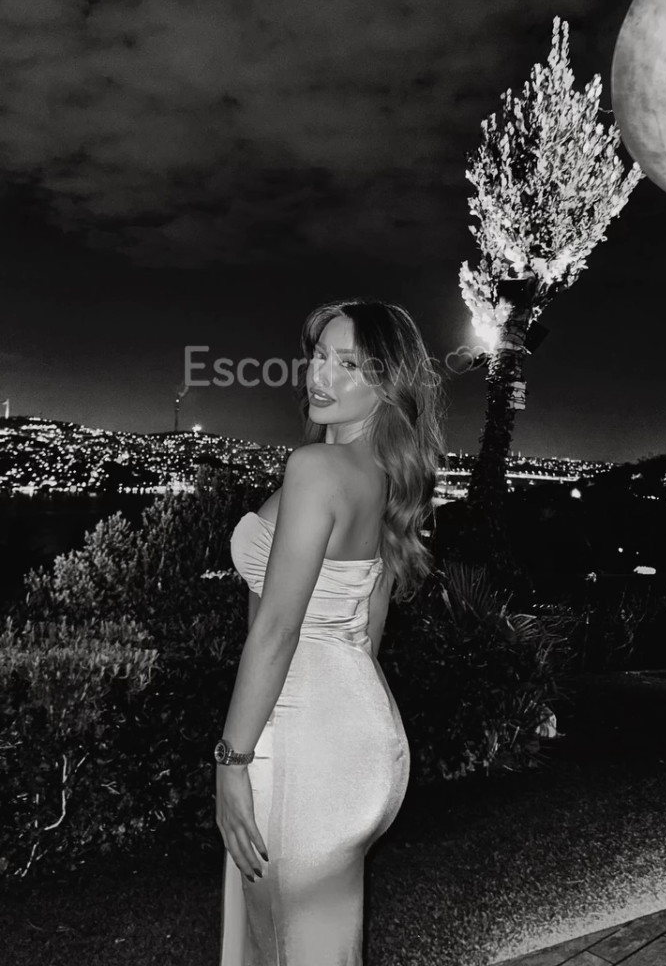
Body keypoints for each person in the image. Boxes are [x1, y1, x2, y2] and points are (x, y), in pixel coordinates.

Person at [216, 296, 446, 965]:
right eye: (319, 356)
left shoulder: (316, 470)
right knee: (314, 942)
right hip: (362, 736)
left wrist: (231, 760)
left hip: (302, 742)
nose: (320, 375)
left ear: (388, 383)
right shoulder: (385, 475)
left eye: (349, 364)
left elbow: (277, 629)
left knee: (285, 944)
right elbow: (366, 631)